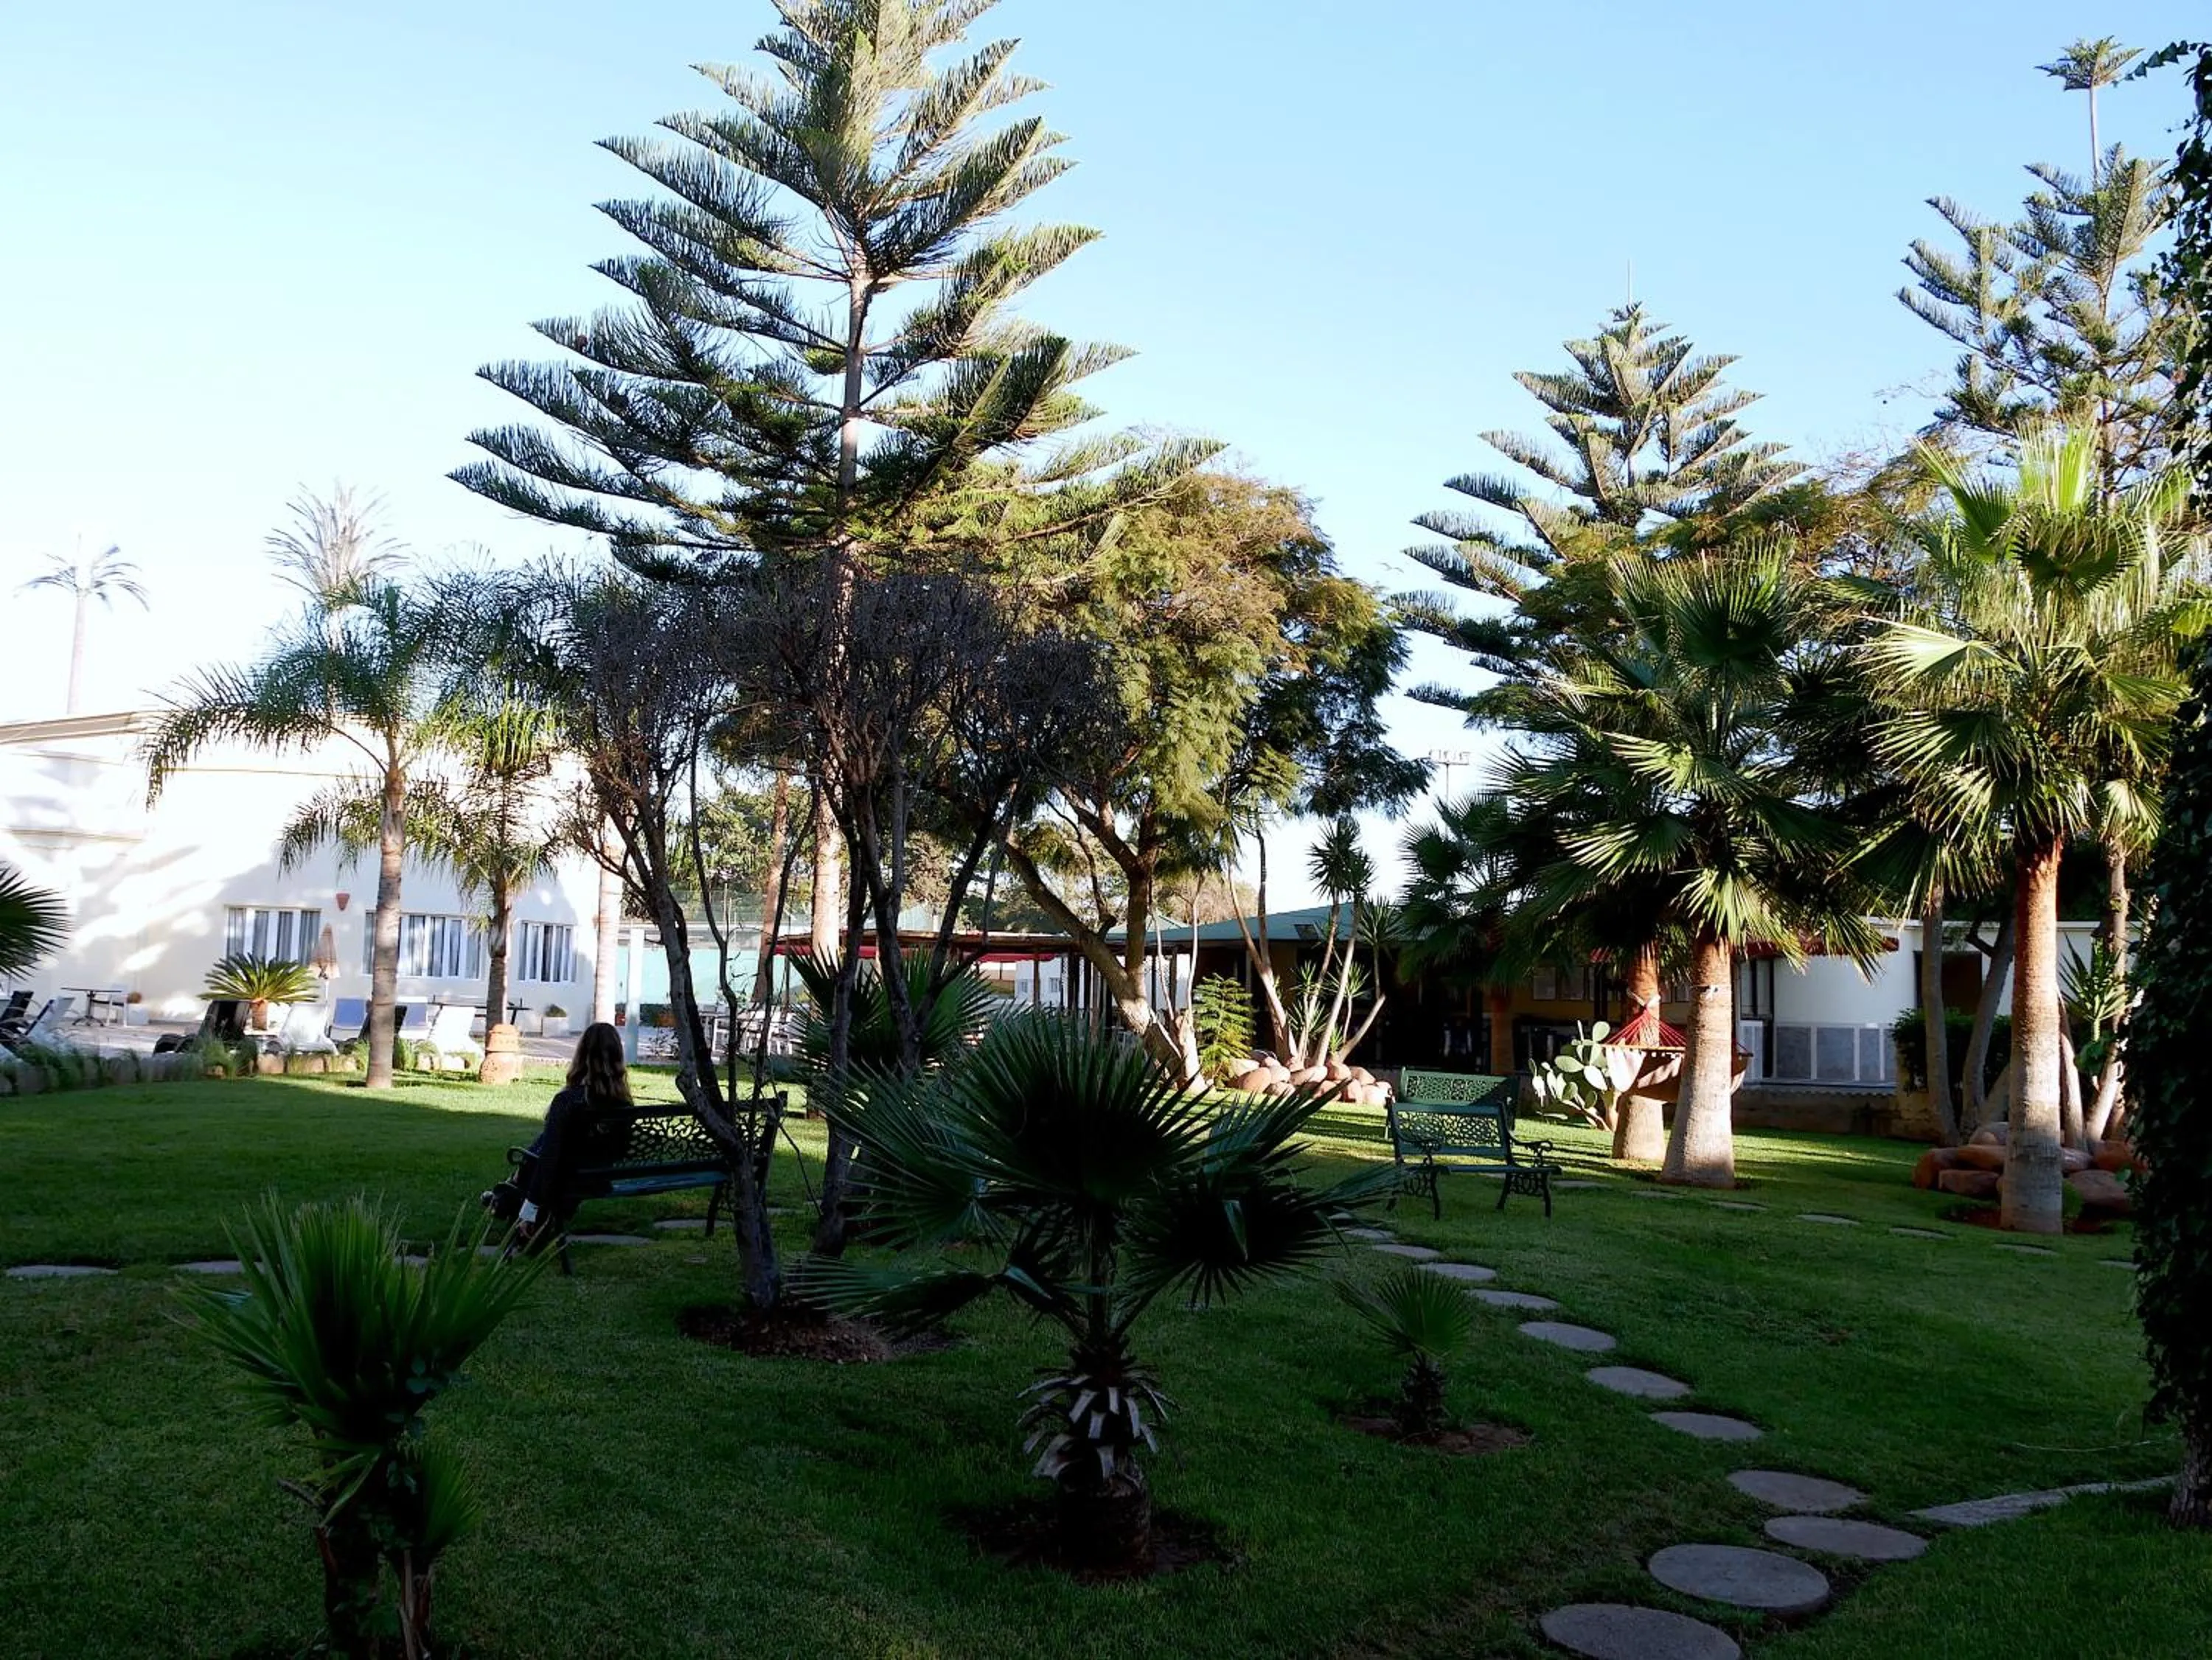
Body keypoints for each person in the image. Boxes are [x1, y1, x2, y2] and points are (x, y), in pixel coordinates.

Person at [483, 1022, 633, 1238]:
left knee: (538, 1154)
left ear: (581, 1055)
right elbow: (620, 1150)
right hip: (597, 1179)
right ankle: (507, 1198)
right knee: (545, 1145)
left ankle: (504, 1199)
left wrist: (531, 1208)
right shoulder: (624, 1105)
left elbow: (549, 1159)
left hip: (565, 1178)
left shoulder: (568, 1101)